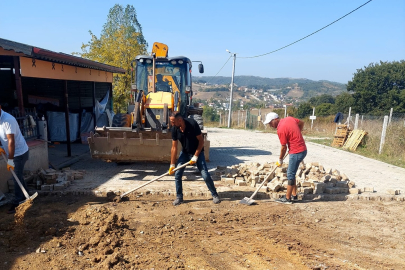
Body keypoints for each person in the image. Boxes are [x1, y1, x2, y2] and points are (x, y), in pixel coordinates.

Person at [169, 112, 220, 206]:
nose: (172, 124)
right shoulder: (174, 129)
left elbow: (201, 141)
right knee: (177, 174)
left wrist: (196, 156)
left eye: (173, 122)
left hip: (198, 152)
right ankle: (179, 197)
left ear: (179, 120)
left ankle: (215, 194)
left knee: (205, 174)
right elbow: (174, 147)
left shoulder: (192, 124)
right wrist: (172, 164)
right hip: (184, 153)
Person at [263, 112, 307, 204]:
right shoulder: (289, 119)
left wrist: (280, 159)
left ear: (275, 120)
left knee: (290, 174)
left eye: (270, 123)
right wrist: (297, 134)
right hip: (302, 150)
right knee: (292, 173)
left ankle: (287, 198)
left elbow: (283, 147)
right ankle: (294, 195)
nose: (270, 126)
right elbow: (301, 123)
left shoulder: (280, 129)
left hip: (296, 152)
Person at [0, 105, 30, 214]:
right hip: (12, 152)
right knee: (18, 176)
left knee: (16, 177)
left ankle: (17, 202)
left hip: (19, 153)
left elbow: (11, 141)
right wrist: (1, 147)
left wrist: (11, 160)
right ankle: (26, 195)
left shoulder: (8, 120)